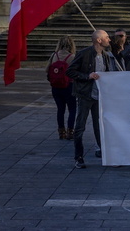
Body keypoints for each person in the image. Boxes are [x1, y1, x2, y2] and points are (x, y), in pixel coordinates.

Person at [66, 29, 117, 169]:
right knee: (80, 126)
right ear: (99, 40)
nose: (109, 39)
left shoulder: (106, 56)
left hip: (99, 97)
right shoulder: (84, 54)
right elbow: (70, 71)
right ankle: (79, 157)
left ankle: (106, 155)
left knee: (99, 126)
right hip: (85, 95)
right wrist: (87, 76)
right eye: (106, 37)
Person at [45, 35, 76, 141]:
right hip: (69, 86)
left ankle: (61, 132)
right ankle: (70, 131)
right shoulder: (72, 57)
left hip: (56, 87)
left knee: (60, 109)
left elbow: (47, 70)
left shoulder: (54, 55)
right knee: (72, 109)